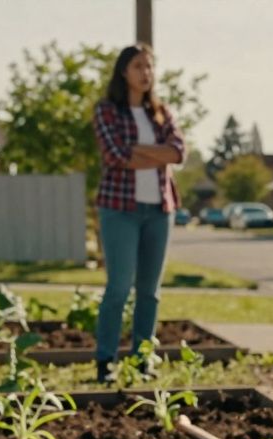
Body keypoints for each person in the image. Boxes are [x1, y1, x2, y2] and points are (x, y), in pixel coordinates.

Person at [91, 44, 186, 382]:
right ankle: (106, 361)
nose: (145, 73)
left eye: (149, 66)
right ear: (123, 72)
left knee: (149, 291)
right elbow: (115, 156)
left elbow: (178, 153)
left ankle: (143, 359)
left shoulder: (161, 113)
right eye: (138, 66)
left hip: (159, 210)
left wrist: (138, 151)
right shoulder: (107, 111)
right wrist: (154, 154)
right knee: (118, 288)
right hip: (119, 209)